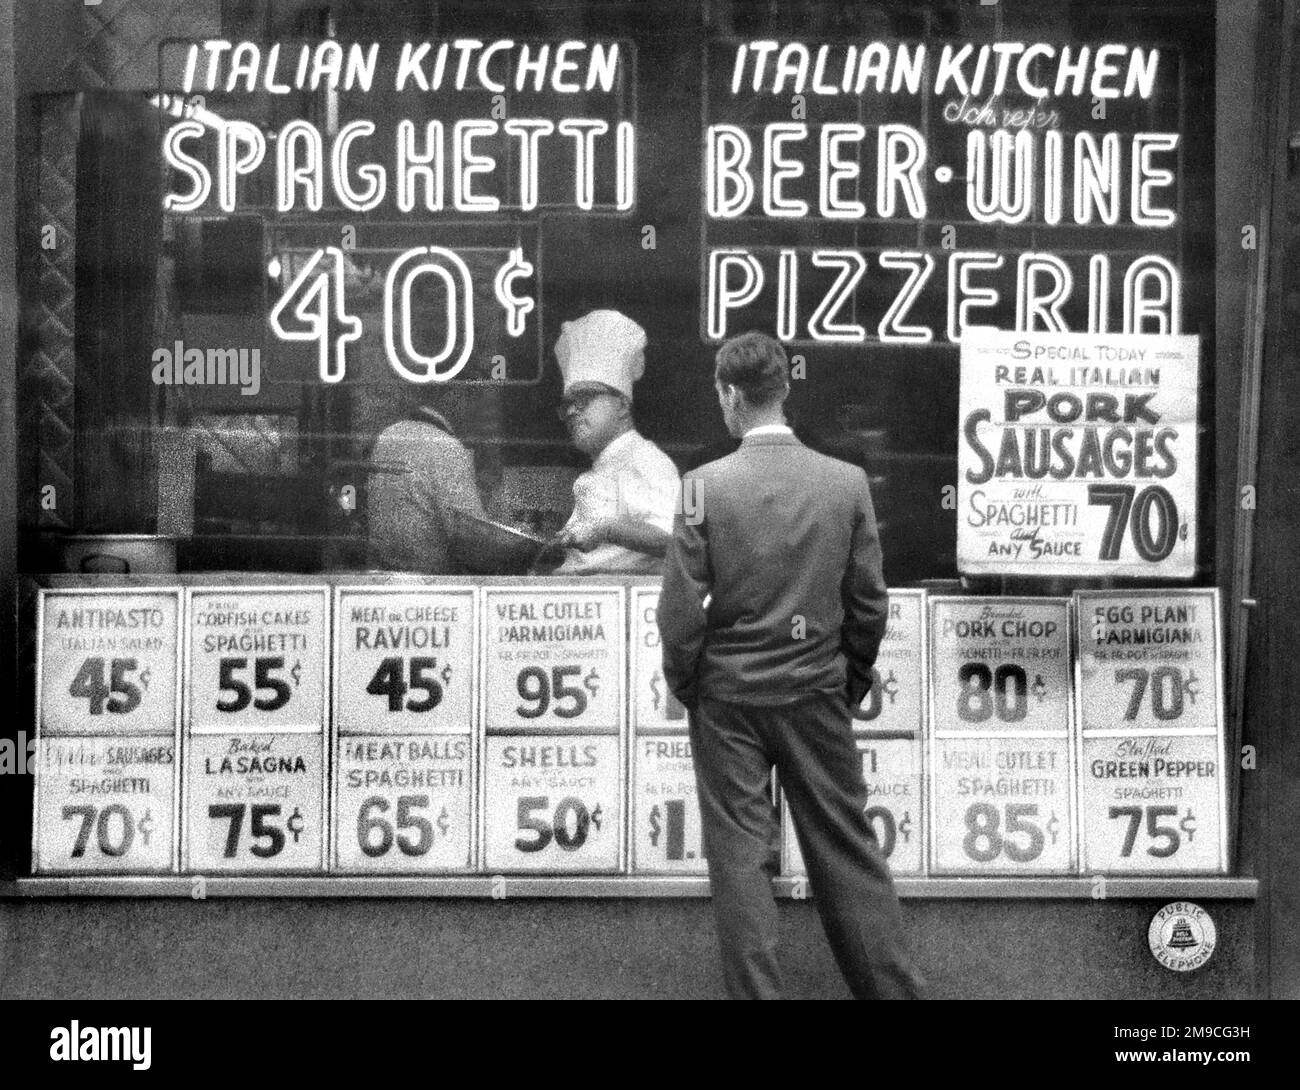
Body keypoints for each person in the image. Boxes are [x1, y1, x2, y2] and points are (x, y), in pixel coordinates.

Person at [656, 330, 924, 1000]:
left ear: (729, 396)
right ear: (783, 390)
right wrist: (846, 679)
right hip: (815, 691)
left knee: (742, 863)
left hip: (730, 698)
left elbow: (681, 611)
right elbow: (868, 602)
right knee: (848, 855)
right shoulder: (848, 484)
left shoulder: (699, 488)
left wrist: (694, 685)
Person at [550, 309, 680, 575]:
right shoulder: (605, 465)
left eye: (584, 397)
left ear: (621, 404)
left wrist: (606, 530)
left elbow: (676, 540)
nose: (573, 411)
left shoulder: (645, 460)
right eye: (568, 404)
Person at [366, 385, 488, 573]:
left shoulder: (388, 435)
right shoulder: (446, 447)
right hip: (433, 582)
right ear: (455, 396)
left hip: (385, 574)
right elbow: (472, 537)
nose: (474, 409)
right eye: (471, 397)